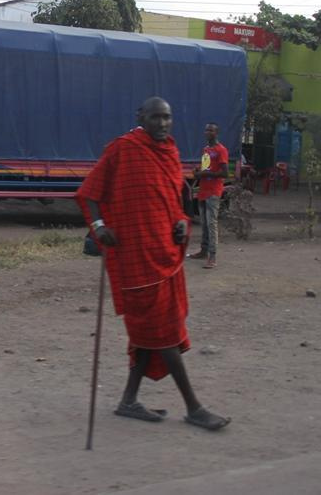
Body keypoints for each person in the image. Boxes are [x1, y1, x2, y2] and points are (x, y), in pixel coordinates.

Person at [77, 97, 230, 431]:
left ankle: (128, 400)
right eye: (156, 117)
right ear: (141, 118)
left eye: (168, 117)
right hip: (135, 259)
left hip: (166, 255)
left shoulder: (170, 153)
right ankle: (194, 407)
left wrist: (180, 221)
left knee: (152, 332)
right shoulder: (123, 150)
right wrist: (100, 228)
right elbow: (89, 192)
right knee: (165, 333)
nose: (163, 124)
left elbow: (175, 202)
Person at [188, 122, 229, 269]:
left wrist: (205, 173)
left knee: (211, 223)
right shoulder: (206, 149)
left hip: (213, 191)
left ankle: (212, 256)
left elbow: (224, 173)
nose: (207, 132)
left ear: (216, 133)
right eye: (206, 130)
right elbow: (208, 166)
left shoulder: (221, 150)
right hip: (203, 190)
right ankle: (203, 251)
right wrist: (199, 171)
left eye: (210, 130)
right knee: (204, 224)